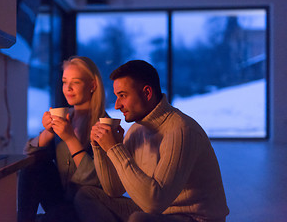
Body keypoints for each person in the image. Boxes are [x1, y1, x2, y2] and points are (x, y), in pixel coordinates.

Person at [75, 60, 229, 222]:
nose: (117, 105)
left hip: (194, 218)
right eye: (116, 97)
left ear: (147, 93)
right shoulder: (136, 130)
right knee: (87, 195)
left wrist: (115, 148)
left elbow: (154, 203)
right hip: (157, 214)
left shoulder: (182, 130)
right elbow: (114, 189)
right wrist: (101, 149)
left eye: (123, 96)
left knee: (139, 219)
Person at [18, 56, 106, 222]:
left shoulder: (103, 125)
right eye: (65, 82)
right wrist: (48, 132)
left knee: (59, 215)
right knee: (33, 165)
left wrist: (70, 139)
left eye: (76, 82)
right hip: (60, 198)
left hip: (88, 204)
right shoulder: (66, 117)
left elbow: (97, 179)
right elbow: (27, 155)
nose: (68, 88)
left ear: (92, 85)